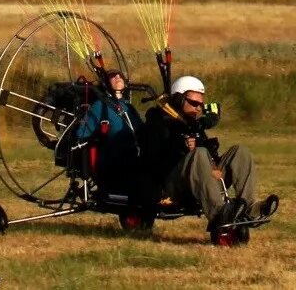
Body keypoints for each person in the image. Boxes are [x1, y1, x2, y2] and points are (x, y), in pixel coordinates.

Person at [139, 74, 264, 225]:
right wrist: (181, 147)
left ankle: (249, 209)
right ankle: (219, 214)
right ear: (179, 99)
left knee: (240, 152)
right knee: (198, 153)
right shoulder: (156, 124)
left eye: (200, 105)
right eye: (193, 103)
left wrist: (213, 165)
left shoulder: (191, 124)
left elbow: (207, 153)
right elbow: (152, 163)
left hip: (203, 181)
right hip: (171, 185)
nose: (198, 108)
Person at [71, 67, 143, 190]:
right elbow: (82, 134)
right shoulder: (99, 106)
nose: (117, 77)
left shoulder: (129, 107)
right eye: (113, 76)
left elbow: (141, 131)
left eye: (120, 75)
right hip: (113, 162)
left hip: (134, 157)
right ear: (105, 83)